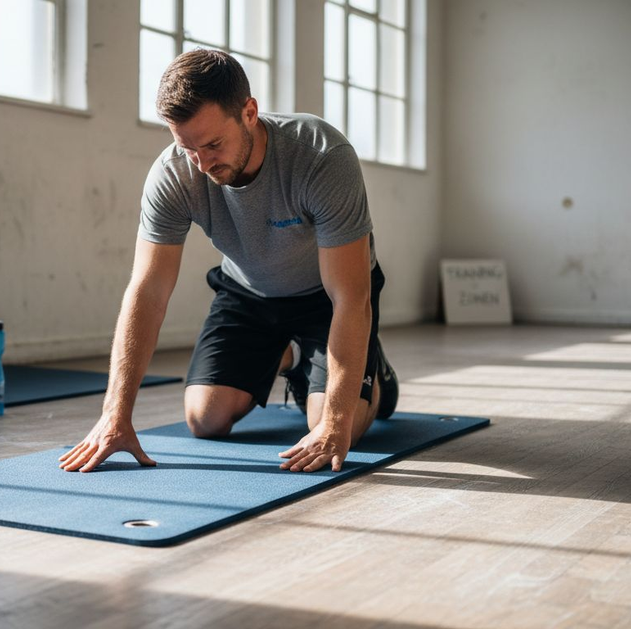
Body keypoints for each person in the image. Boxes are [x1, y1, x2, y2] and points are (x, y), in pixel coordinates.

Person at [59, 49, 398, 474]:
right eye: (188, 148)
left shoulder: (321, 156)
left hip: (325, 299)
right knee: (205, 419)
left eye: (214, 144)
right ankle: (292, 355)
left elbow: (350, 297)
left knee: (325, 424)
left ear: (250, 112)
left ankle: (378, 377)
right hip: (248, 291)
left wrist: (336, 420)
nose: (202, 164)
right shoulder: (173, 175)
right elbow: (148, 291)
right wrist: (115, 414)